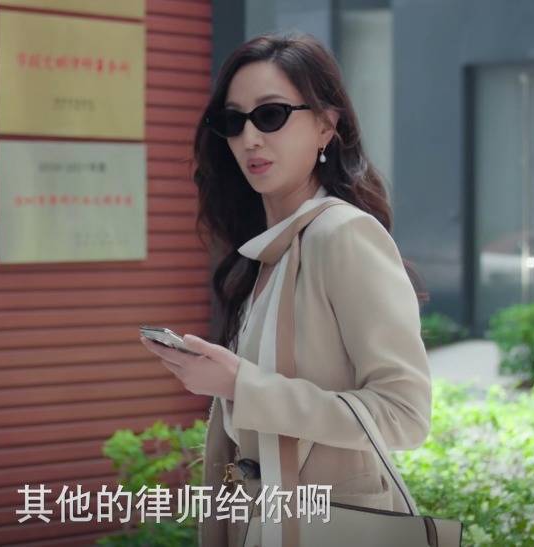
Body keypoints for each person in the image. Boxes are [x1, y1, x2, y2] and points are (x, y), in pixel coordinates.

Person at [139, 32, 432, 547]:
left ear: (326, 126)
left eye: (271, 115)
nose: (250, 138)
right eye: (234, 121)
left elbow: (405, 415)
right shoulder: (269, 253)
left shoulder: (342, 236)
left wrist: (241, 385)